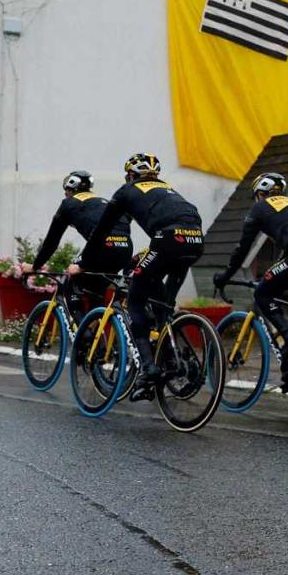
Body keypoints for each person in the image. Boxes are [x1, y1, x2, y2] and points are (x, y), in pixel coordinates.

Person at [68, 153, 204, 398]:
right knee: (163, 306)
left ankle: (149, 369)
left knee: (135, 299)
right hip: (194, 241)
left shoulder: (126, 191)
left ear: (130, 175)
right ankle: (171, 359)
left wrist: (83, 263)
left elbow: (101, 231)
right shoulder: (167, 190)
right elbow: (177, 221)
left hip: (167, 241)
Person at [211, 173, 288, 394]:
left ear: (259, 193)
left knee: (262, 293)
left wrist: (226, 275)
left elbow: (242, 248)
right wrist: (273, 271)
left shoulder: (260, 207)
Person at [22, 170, 133, 322]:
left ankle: (83, 333)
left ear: (69, 188)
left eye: (65, 190)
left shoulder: (68, 204)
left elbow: (51, 242)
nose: (65, 194)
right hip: (125, 249)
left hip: (101, 248)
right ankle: (97, 338)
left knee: (70, 279)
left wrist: (35, 266)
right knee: (96, 291)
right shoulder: (103, 201)